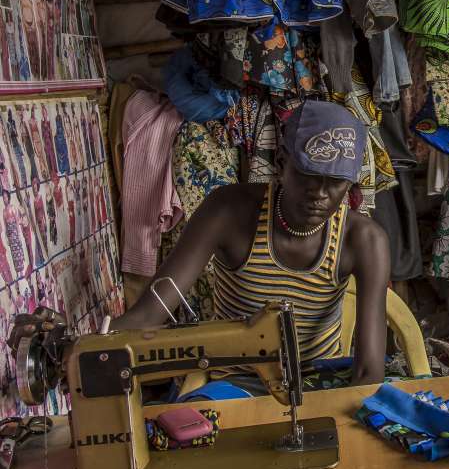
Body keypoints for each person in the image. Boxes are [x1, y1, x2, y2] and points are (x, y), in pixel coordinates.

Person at [9, 101, 391, 387]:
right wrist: (77, 351)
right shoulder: (228, 211)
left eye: (335, 183)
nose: (320, 194)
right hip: (231, 382)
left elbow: (369, 369)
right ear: (281, 161)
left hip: (317, 383)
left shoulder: (364, 240)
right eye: (308, 175)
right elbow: (150, 314)